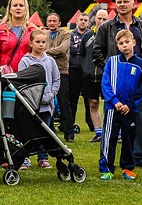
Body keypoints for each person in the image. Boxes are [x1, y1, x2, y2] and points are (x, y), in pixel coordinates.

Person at [92, 0, 142, 169]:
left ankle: (138, 156)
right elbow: (96, 52)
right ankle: (107, 159)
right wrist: (112, 68)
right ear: (116, 4)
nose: (122, 5)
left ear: (133, 4)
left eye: (125, 1)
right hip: (115, 84)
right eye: (119, 2)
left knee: (138, 119)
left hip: (138, 83)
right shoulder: (107, 27)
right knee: (111, 122)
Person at [99, 29, 142, 181]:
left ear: (133, 43)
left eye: (127, 42)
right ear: (117, 46)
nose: (125, 45)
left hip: (130, 109)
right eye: (121, 43)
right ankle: (106, 168)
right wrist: (115, 101)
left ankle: (127, 168)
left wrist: (130, 103)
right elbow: (106, 83)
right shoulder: (112, 62)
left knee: (128, 138)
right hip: (113, 108)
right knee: (109, 138)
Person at [18, 29, 60, 169]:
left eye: (43, 42)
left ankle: (43, 157)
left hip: (47, 105)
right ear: (31, 43)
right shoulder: (25, 61)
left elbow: (56, 80)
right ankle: (24, 157)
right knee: (28, 132)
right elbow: (22, 82)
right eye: (38, 42)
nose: (41, 45)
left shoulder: (50, 61)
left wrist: (50, 95)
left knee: (45, 131)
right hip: (31, 105)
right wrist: (35, 98)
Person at [79, 8, 108, 141]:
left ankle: (113, 133)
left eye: (104, 19)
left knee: (110, 104)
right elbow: (81, 54)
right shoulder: (87, 35)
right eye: (99, 18)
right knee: (93, 103)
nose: (101, 21)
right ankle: (99, 133)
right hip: (89, 77)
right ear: (94, 19)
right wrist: (84, 68)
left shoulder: (110, 36)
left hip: (106, 76)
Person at [0, 0, 36, 72]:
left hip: (27, 75)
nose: (18, 8)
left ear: (26, 9)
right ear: (10, 9)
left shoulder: (33, 29)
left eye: (21, 5)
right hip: (6, 76)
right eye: (15, 5)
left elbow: (39, 54)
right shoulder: (0, 30)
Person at [44, 13, 72, 142]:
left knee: (63, 101)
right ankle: (50, 132)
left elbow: (62, 50)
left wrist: (46, 51)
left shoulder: (66, 34)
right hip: (46, 71)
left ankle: (69, 133)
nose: (52, 23)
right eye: (50, 21)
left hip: (61, 71)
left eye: (55, 21)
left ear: (59, 23)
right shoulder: (44, 34)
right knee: (47, 101)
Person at [65, 12, 90, 142]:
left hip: (86, 70)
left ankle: (91, 123)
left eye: (86, 20)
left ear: (88, 22)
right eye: (81, 19)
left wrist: (79, 49)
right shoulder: (70, 34)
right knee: (72, 99)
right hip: (73, 69)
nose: (83, 22)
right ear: (77, 21)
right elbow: (70, 49)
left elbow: (90, 50)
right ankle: (71, 123)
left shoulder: (91, 35)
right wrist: (82, 49)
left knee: (89, 99)